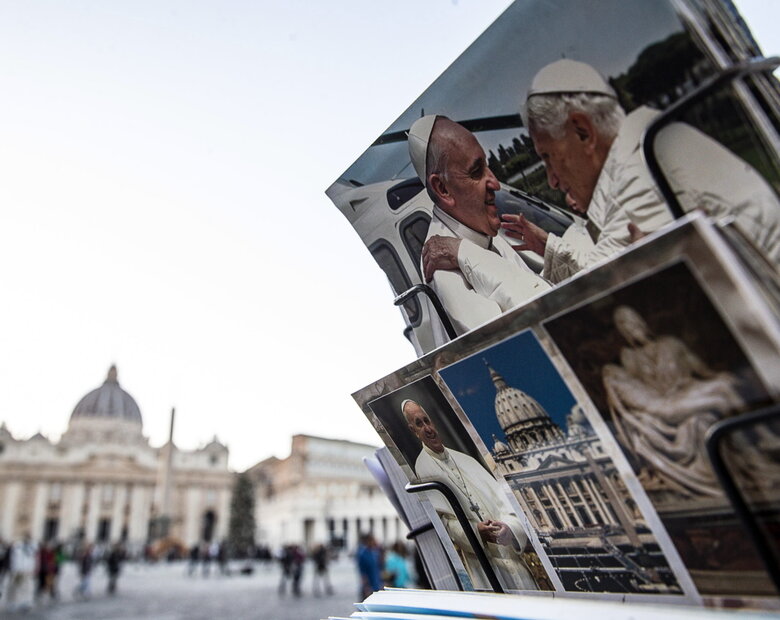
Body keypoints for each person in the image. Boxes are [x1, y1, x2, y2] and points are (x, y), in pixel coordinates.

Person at [505, 58, 780, 283]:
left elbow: (600, 287)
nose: (551, 180)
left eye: (549, 157)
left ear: (583, 132)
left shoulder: (641, 170)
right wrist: (550, 247)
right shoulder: (640, 147)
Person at [408, 115, 551, 340]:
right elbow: (536, 329)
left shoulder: (477, 229)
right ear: (443, 188)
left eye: (487, 166)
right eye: (476, 172)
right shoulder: (443, 270)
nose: (495, 183)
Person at [602, 305, 747, 497]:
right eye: (624, 325)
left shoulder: (670, 344)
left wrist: (719, 376)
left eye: (632, 322)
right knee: (718, 401)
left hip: (683, 391)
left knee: (723, 385)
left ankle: (762, 441)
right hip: (666, 405)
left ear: (641, 322)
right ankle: (749, 451)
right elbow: (624, 408)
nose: (630, 328)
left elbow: (702, 370)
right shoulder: (627, 361)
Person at [401, 399, 537, 590]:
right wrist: (476, 531)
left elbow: (505, 502)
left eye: (427, 421)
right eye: (419, 424)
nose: (427, 428)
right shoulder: (422, 469)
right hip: (484, 569)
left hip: (515, 562)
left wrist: (510, 528)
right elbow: (446, 524)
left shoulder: (467, 460)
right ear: (413, 430)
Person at [7, 533, 37, 612]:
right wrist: (13, 569)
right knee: (15, 587)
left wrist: (33, 569)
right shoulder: (17, 546)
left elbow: (33, 559)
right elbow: (13, 558)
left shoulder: (33, 547)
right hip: (17, 570)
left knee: (27, 587)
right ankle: (13, 602)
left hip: (27, 570)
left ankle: (25, 602)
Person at [356, 533, 382, 599]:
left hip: (376, 584)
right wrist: (366, 587)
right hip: (369, 586)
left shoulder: (374, 552)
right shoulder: (363, 554)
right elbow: (363, 572)